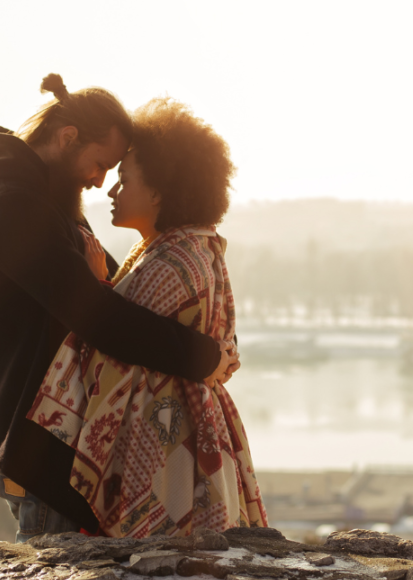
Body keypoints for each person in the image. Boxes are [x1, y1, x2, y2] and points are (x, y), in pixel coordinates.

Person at [0, 75, 239, 542]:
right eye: (99, 164)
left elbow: (112, 293)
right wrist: (204, 357)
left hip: (56, 451)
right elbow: (102, 318)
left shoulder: (45, 203)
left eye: (113, 171)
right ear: (67, 137)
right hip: (42, 453)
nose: (99, 181)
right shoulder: (11, 208)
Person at [26, 97, 268, 537]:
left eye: (124, 178)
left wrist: (97, 288)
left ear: (159, 191)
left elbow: (114, 343)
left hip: (162, 457)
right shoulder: (186, 248)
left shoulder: (168, 264)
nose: (111, 190)